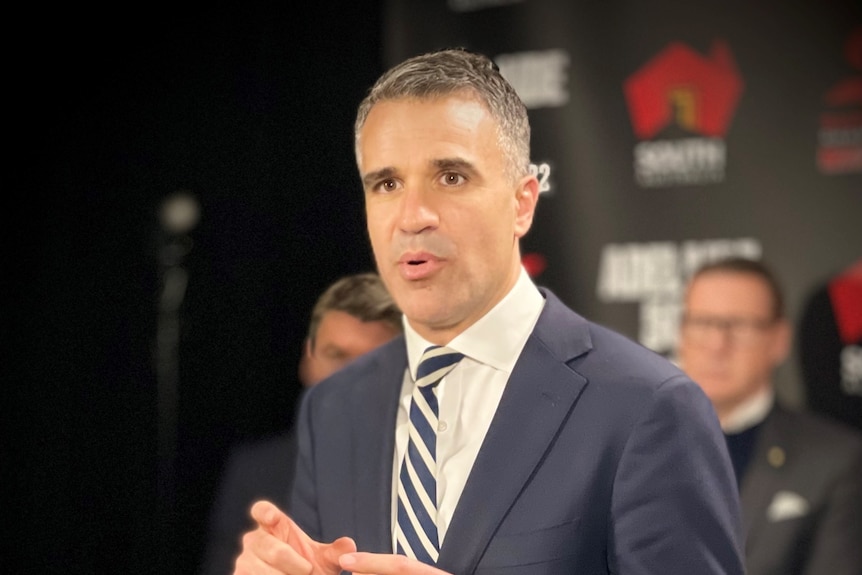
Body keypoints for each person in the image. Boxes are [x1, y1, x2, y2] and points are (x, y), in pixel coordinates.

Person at [233, 48, 744, 575]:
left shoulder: (648, 408)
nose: (413, 216)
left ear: (522, 202)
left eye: (451, 177)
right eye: (387, 184)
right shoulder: (333, 409)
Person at [200, 272, 403, 575]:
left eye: (371, 363)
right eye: (337, 356)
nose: (349, 379)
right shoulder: (256, 471)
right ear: (307, 358)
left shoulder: (432, 473)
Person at [676, 256, 862, 575]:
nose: (718, 344)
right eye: (703, 323)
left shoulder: (837, 461)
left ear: (779, 340)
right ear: (681, 334)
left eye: (739, 325)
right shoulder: (626, 449)